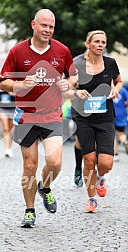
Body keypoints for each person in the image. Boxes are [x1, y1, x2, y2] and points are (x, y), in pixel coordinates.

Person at [0, 9, 77, 228]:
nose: (48, 30)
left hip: (52, 114)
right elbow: (3, 82)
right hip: (26, 116)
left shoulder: (62, 50)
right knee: (30, 166)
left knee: (55, 162)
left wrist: (68, 84)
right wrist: (20, 85)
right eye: (44, 25)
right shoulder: (17, 51)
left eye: (51, 26)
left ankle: (45, 187)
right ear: (33, 24)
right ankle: (30, 210)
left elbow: (73, 76)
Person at [65, 30, 123, 213]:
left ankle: (100, 177)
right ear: (88, 44)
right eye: (96, 41)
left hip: (105, 117)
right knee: (89, 160)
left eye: (103, 42)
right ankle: (91, 199)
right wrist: (76, 92)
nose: (100, 45)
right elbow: (66, 89)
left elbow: (119, 81)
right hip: (84, 118)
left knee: (106, 162)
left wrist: (116, 90)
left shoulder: (111, 63)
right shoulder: (77, 65)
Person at [0, 82, 16, 158]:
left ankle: (10, 148)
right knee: (5, 128)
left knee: (11, 129)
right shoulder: (0, 83)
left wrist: (12, 93)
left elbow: (22, 94)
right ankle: (7, 149)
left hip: (13, 108)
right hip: (2, 108)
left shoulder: (14, 83)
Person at [113, 86, 128, 161]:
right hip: (122, 114)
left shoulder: (109, 89)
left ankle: (116, 154)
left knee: (112, 135)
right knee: (120, 133)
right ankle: (124, 141)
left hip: (111, 114)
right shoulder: (123, 90)